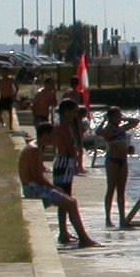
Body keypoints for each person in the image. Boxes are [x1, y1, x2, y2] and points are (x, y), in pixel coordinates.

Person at [19, 122, 100, 248]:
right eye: (52, 135)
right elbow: (37, 178)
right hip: (32, 189)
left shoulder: (37, 147)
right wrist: (54, 188)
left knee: (68, 200)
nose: (54, 139)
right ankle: (84, 239)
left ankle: (66, 234)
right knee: (71, 203)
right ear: (45, 135)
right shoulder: (34, 149)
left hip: (33, 186)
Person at [97, 107, 140, 228]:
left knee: (121, 191)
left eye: (119, 115)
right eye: (116, 116)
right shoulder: (109, 129)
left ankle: (122, 219)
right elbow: (98, 132)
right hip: (112, 161)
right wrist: (105, 120)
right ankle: (108, 218)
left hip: (123, 161)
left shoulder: (121, 129)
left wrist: (123, 118)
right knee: (111, 189)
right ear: (111, 117)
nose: (119, 118)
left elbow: (136, 121)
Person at [51, 100, 82, 245]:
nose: (76, 113)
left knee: (65, 198)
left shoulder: (66, 125)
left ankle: (64, 231)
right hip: (64, 163)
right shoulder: (63, 126)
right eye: (74, 110)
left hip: (65, 163)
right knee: (64, 198)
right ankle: (63, 232)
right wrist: (74, 157)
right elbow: (68, 146)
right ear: (67, 111)